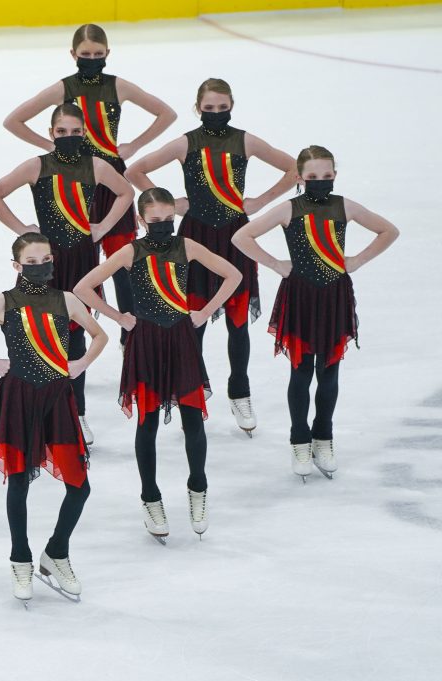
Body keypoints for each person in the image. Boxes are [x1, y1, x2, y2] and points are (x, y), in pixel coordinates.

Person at [125, 78, 297, 436]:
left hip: (235, 235)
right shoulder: (186, 143)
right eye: (209, 108)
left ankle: (240, 391)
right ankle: (193, 390)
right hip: (196, 234)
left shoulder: (244, 140)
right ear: (197, 107)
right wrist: (171, 204)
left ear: (232, 105)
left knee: (237, 323)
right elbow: (136, 170)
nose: (216, 113)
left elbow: (294, 168)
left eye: (222, 107)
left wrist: (260, 202)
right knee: (194, 321)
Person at [74, 188, 241, 542]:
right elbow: (83, 287)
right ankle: (150, 497)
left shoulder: (187, 246)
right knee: (147, 422)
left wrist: (205, 311)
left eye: (169, 220)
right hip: (146, 341)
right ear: (141, 221)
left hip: (180, 338)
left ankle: (198, 488)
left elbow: (233, 275)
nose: (164, 226)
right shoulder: (130, 251)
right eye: (156, 221)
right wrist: (120, 317)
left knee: (193, 419)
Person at [0, 233, 107, 604]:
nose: (41, 267)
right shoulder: (3, 302)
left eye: (46, 260)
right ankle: (20, 559)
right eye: (32, 262)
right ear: (17, 266)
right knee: (19, 483)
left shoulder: (66, 300)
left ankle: (57, 552)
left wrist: (81, 363)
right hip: (18, 398)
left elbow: (98, 335)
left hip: (58, 399)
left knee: (79, 486)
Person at [232, 146, 398, 481]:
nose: (320, 182)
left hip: (334, 295)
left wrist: (356, 260)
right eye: (312, 177)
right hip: (301, 296)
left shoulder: (344, 206)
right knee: (301, 371)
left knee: (329, 371)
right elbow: (241, 236)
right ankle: (299, 439)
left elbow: (389, 231)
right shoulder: (289, 210)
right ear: (300, 178)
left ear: (334, 175)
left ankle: (324, 436)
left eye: (326, 176)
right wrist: (277, 264)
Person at [3, 23, 176, 344]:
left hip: (109, 178)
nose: (92, 59)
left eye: (98, 54)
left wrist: (134, 145)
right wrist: (49, 146)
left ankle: (131, 337)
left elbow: (166, 114)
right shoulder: (63, 88)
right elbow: (13, 120)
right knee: (74, 261)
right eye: (86, 55)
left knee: (123, 261)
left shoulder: (118, 86)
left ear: (107, 54)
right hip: (71, 180)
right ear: (73, 55)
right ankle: (68, 336)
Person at [0, 103, 132, 445]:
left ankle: (75, 413)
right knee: (36, 335)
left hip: (81, 258)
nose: (68, 137)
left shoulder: (96, 165)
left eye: (75, 132)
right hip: (45, 262)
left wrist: (103, 227)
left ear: (84, 134)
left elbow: (126, 193)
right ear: (51, 134)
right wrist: (24, 232)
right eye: (61, 132)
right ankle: (35, 410)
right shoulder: (38, 166)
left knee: (76, 336)